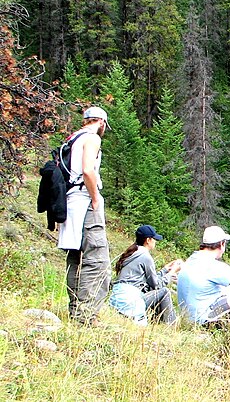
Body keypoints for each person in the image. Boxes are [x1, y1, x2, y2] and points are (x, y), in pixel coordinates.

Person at [59, 106, 111, 325]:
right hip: (84, 201)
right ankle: (86, 315)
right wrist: (95, 198)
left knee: (76, 257)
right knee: (98, 260)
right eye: (104, 126)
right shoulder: (91, 138)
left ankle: (75, 310)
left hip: (69, 201)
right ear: (100, 122)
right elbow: (88, 170)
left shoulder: (72, 138)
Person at [109, 225, 182, 325]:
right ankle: (171, 325)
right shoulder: (145, 256)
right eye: (154, 239)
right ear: (148, 240)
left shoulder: (132, 252)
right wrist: (172, 272)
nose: (155, 241)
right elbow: (156, 285)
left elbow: (149, 280)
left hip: (117, 299)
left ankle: (160, 323)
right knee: (165, 292)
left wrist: (165, 270)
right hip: (130, 302)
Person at [177, 225, 230, 325]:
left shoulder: (191, 260)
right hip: (203, 321)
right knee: (229, 291)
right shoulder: (213, 266)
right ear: (221, 244)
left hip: (186, 319)